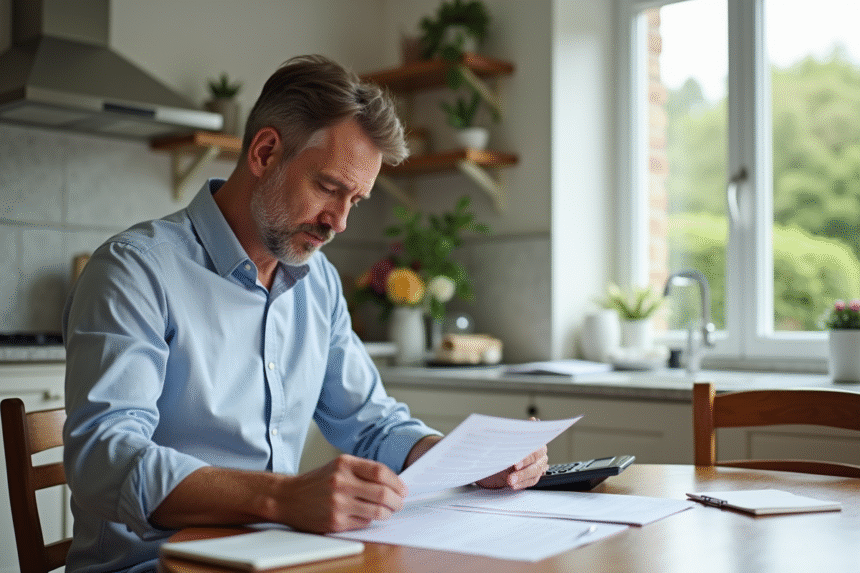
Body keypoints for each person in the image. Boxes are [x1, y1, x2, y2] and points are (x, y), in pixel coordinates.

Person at [62, 54, 548, 573]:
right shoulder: (135, 271)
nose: (338, 222)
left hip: (279, 559)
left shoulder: (318, 283)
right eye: (329, 188)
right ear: (265, 153)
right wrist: (281, 498)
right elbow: (104, 460)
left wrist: (467, 460)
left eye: (354, 201)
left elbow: (371, 423)